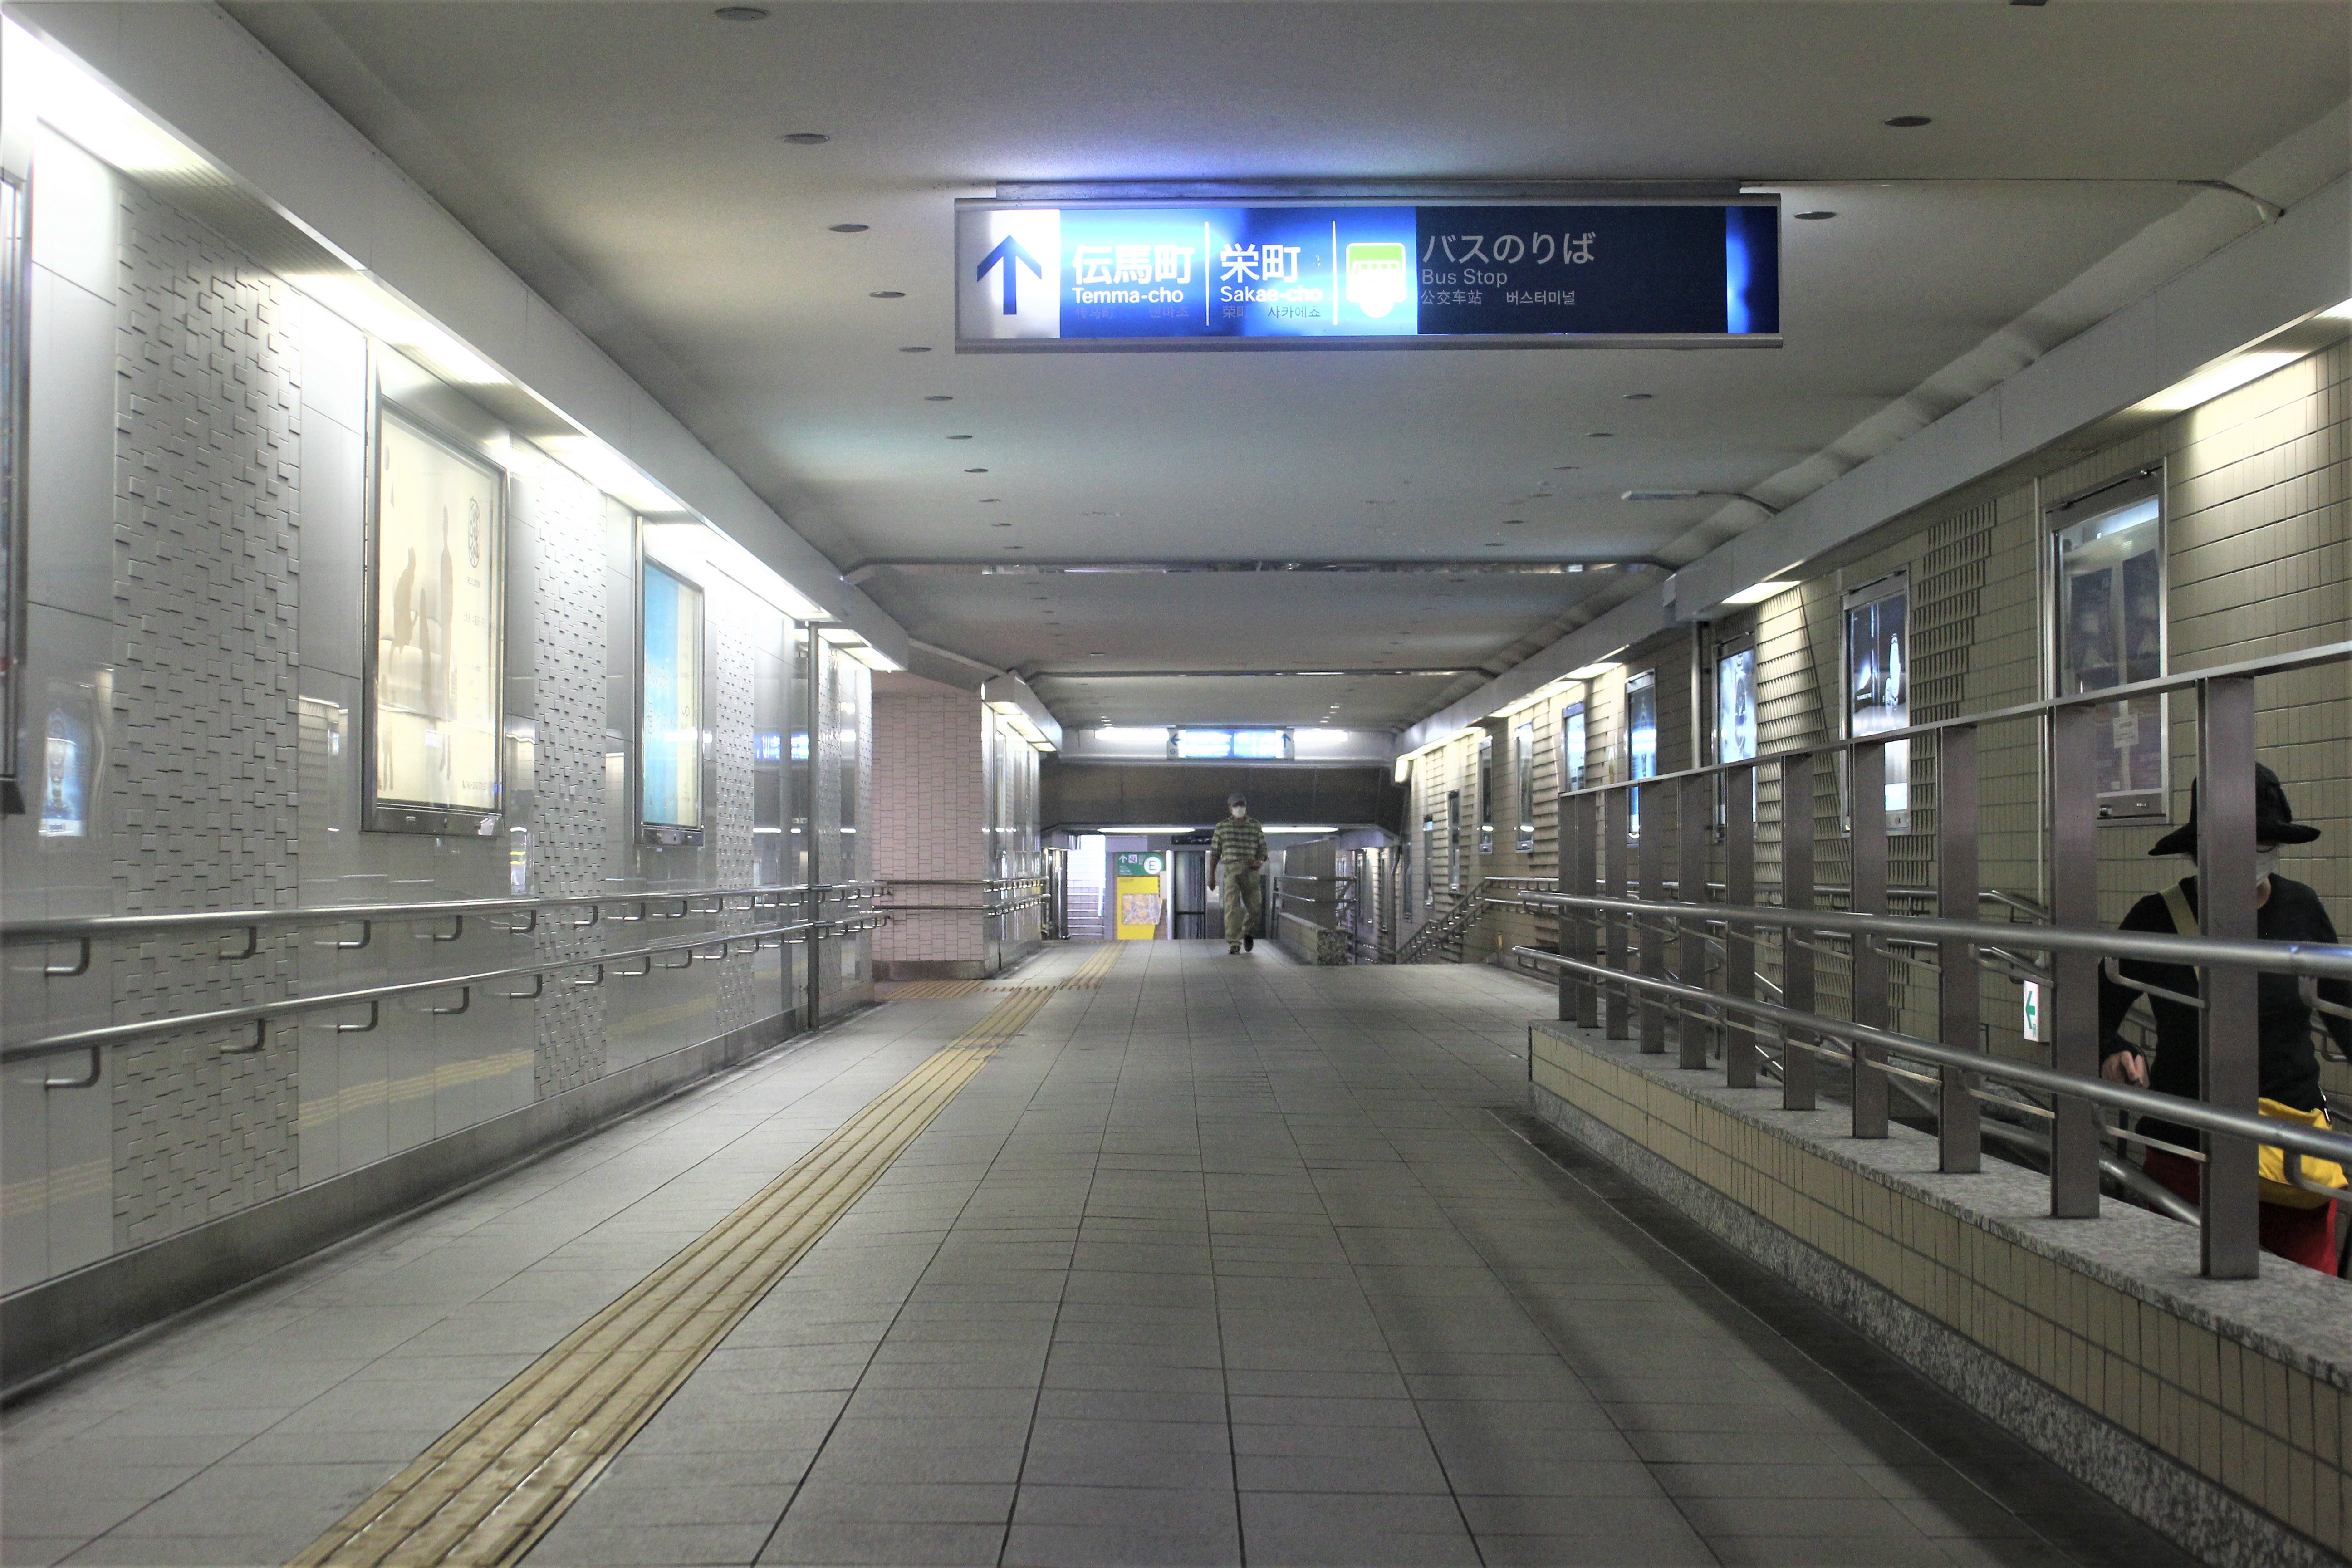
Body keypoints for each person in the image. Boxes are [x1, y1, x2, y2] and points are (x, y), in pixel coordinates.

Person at [2097, 765, 2350, 1274]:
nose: (2248, 854)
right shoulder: (2158, 918)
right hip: (2188, 1152)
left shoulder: (2301, 908)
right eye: (2234, 840)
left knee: (2305, 1305)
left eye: (2262, 842)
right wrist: (2112, 1049)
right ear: (2202, 847)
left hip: (2293, 1157)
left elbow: (2346, 1012)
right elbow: (2088, 1005)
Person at [1209, 792, 1268, 955]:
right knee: (1232, 907)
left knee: (1256, 907)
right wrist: (1211, 876)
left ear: (1246, 807)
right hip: (1231, 869)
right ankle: (1234, 942)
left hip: (1251, 870)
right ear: (1230, 808)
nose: (1239, 808)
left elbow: (1263, 848)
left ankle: (1248, 932)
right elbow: (1215, 853)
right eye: (1236, 805)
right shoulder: (1222, 827)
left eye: (1242, 805)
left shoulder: (1255, 825)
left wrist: (1260, 860)